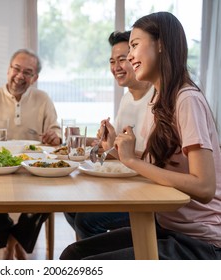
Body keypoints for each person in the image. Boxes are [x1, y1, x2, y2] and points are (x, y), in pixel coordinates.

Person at [60, 11, 221, 260]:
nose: (131, 56)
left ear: (161, 45)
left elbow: (204, 186)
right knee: (73, 255)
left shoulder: (186, 99)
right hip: (167, 226)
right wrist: (116, 149)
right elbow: (158, 163)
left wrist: (132, 161)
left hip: (200, 241)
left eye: (134, 45)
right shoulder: (158, 100)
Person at [64, 31, 154, 239]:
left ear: (136, 58)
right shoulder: (126, 99)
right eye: (112, 61)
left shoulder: (157, 99)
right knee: (71, 206)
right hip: (127, 182)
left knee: (86, 219)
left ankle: (93, 257)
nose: (116, 67)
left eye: (123, 59)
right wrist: (107, 143)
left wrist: (117, 148)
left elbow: (156, 159)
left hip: (147, 188)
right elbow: (118, 151)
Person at [0, 48, 61, 259]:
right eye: (16, 69)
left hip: (34, 169)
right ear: (8, 70)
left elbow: (56, 130)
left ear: (35, 77)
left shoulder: (43, 98)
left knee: (50, 199)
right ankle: (16, 240)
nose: (20, 76)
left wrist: (54, 136)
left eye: (27, 72)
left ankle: (12, 242)